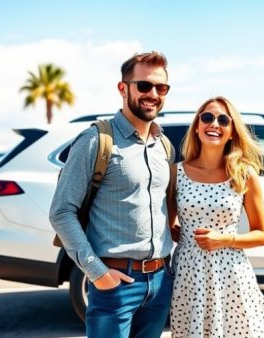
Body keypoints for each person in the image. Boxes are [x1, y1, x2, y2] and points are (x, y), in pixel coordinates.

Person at [49, 51, 175, 338]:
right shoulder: (96, 140)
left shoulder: (164, 145)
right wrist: (98, 273)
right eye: (144, 86)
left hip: (159, 281)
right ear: (123, 88)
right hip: (116, 283)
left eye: (161, 88)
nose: (153, 94)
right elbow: (61, 212)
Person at [168, 96, 264, 337]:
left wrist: (224, 239)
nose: (214, 124)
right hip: (189, 273)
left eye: (223, 120)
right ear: (197, 127)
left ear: (231, 132)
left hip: (231, 274)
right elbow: (164, 222)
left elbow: (261, 235)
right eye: (207, 117)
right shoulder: (176, 172)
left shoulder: (244, 174)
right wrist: (174, 229)